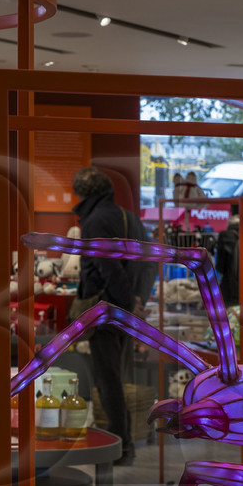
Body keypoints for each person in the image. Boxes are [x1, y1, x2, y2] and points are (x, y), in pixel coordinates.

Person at [70, 166, 143, 463]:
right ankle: (123, 441)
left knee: (108, 379)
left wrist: (122, 303)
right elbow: (140, 263)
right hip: (121, 306)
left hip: (106, 309)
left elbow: (107, 268)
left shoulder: (96, 221)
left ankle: (121, 445)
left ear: (83, 193)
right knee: (117, 376)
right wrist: (135, 301)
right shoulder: (125, 217)